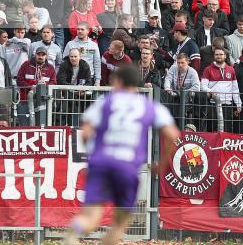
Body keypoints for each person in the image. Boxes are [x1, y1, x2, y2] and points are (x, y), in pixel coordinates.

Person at [64, 65, 179, 245]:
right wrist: (161, 165)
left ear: (119, 81)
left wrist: (93, 156)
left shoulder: (106, 101)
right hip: (128, 166)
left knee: (91, 215)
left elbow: (85, 132)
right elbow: (173, 135)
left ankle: (76, 229)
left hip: (101, 163)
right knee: (120, 222)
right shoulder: (149, 105)